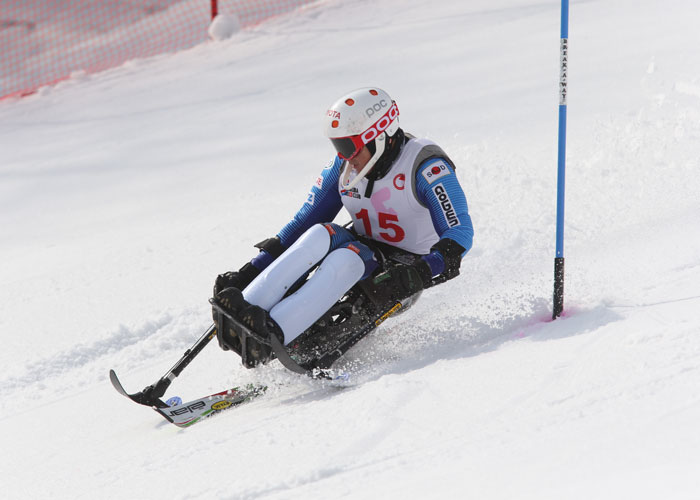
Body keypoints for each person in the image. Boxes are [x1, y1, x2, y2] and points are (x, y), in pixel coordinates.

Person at [212, 87, 474, 359]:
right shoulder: (345, 165)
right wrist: (250, 271)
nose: (345, 156)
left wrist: (421, 271)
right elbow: (305, 221)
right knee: (319, 234)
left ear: (379, 137)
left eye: (349, 146)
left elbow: (460, 232)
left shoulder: (424, 165)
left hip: (401, 274)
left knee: (346, 257)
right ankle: (246, 310)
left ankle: (274, 334)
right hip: (363, 249)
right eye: (339, 146)